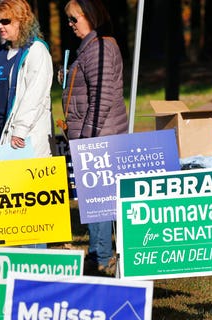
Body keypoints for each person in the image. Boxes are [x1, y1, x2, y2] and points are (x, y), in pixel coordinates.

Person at [61, 0, 128, 275]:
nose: (70, 24)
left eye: (75, 19)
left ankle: (102, 256)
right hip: (95, 134)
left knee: (99, 198)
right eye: (68, 19)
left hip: (99, 137)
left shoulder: (100, 48)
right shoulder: (90, 48)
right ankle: (99, 252)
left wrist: (88, 140)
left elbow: (102, 99)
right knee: (95, 199)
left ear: (90, 17)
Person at [0, 0, 53, 162]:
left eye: (6, 21)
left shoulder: (36, 51)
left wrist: (20, 130)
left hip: (24, 137)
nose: (0, 26)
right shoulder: (0, 54)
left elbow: (35, 95)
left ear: (22, 21)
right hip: (0, 135)